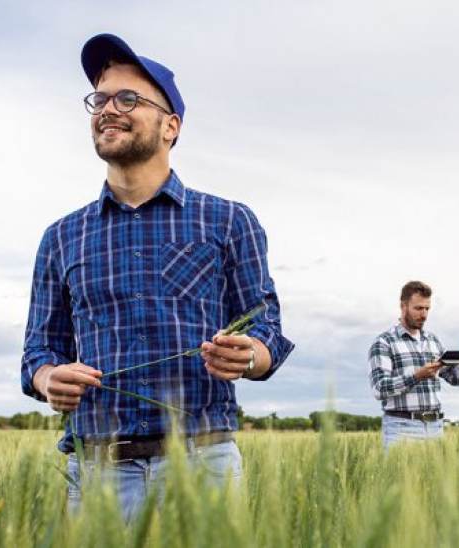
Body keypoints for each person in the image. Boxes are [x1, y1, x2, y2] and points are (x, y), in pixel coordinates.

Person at [20, 33, 293, 518]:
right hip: (99, 472)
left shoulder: (229, 221)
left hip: (203, 465)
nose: (108, 109)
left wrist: (249, 354)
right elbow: (39, 352)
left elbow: (266, 329)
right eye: (99, 99)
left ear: (171, 126)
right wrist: (48, 378)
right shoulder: (61, 236)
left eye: (128, 98)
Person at [368, 281, 459, 449]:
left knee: (435, 477)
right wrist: (416, 376)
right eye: (418, 308)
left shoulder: (433, 341)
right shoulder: (384, 343)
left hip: (435, 427)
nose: (424, 314)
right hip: (402, 428)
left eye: (427, 309)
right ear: (403, 306)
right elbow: (379, 389)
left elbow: (454, 379)